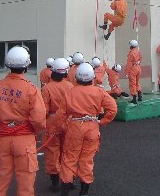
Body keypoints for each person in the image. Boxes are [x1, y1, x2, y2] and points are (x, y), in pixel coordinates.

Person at [0, 46, 46, 196]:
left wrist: (0, 126)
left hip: (2, 139)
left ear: (7, 65)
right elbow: (39, 118)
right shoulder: (31, 89)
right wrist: (34, 131)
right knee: (25, 183)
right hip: (24, 139)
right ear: (27, 65)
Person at [50, 63, 117, 196]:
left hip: (75, 126)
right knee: (87, 160)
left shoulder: (71, 92)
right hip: (92, 127)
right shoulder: (99, 92)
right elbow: (113, 108)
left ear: (76, 78)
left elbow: (61, 114)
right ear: (92, 78)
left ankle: (65, 190)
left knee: (69, 159)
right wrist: (103, 121)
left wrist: (56, 128)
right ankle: (84, 192)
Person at [41, 58, 74, 191]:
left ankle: (55, 183)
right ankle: (69, 180)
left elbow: (44, 110)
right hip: (69, 121)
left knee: (52, 151)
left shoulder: (47, 88)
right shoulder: (71, 86)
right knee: (69, 151)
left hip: (52, 122)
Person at [125, 39, 143, 104]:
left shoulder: (131, 53)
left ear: (131, 46)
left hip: (133, 69)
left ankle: (134, 98)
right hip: (138, 68)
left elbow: (129, 64)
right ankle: (140, 96)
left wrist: (127, 72)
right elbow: (140, 59)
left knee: (132, 83)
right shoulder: (138, 52)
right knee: (137, 82)